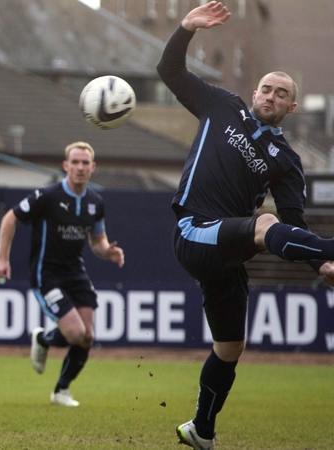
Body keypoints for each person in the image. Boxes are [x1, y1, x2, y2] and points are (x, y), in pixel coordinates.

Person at [158, 2, 334, 449]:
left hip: (228, 254)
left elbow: (294, 228)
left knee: (230, 347)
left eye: (280, 94)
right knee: (265, 222)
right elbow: (169, 70)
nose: (270, 96)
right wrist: (185, 28)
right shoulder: (221, 105)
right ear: (253, 93)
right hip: (195, 230)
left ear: (291, 107)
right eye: (265, 89)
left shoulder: (287, 162)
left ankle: (201, 430)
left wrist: (320, 268)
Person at [0, 141, 124, 407]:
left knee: (87, 336)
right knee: (75, 333)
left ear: (93, 167)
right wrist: (2, 258)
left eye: (85, 163)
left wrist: (107, 251)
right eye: (75, 162)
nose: (80, 167)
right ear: (65, 166)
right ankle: (43, 339)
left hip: (75, 272)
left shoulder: (95, 202)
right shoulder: (47, 197)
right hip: (46, 273)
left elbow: (97, 241)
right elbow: (9, 218)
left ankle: (61, 390)